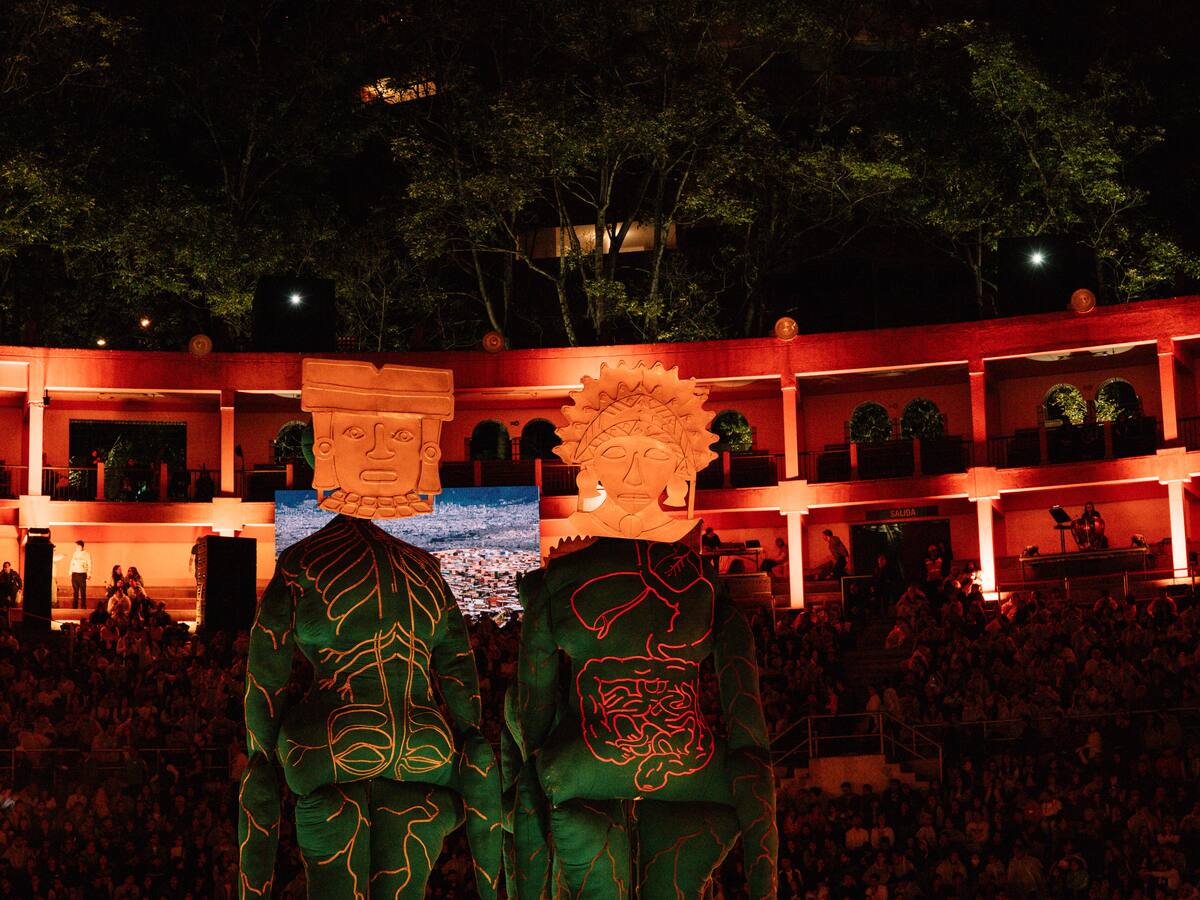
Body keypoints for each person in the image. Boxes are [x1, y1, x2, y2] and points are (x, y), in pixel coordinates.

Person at [69, 540, 91, 606]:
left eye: (77, 546)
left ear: (81, 546)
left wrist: (89, 574)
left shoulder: (86, 554)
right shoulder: (75, 553)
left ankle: (83, 605)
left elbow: (89, 564)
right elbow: (71, 563)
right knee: (75, 591)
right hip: (74, 573)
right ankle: (75, 605)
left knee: (82, 591)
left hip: (82, 574)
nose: (76, 547)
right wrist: (70, 572)